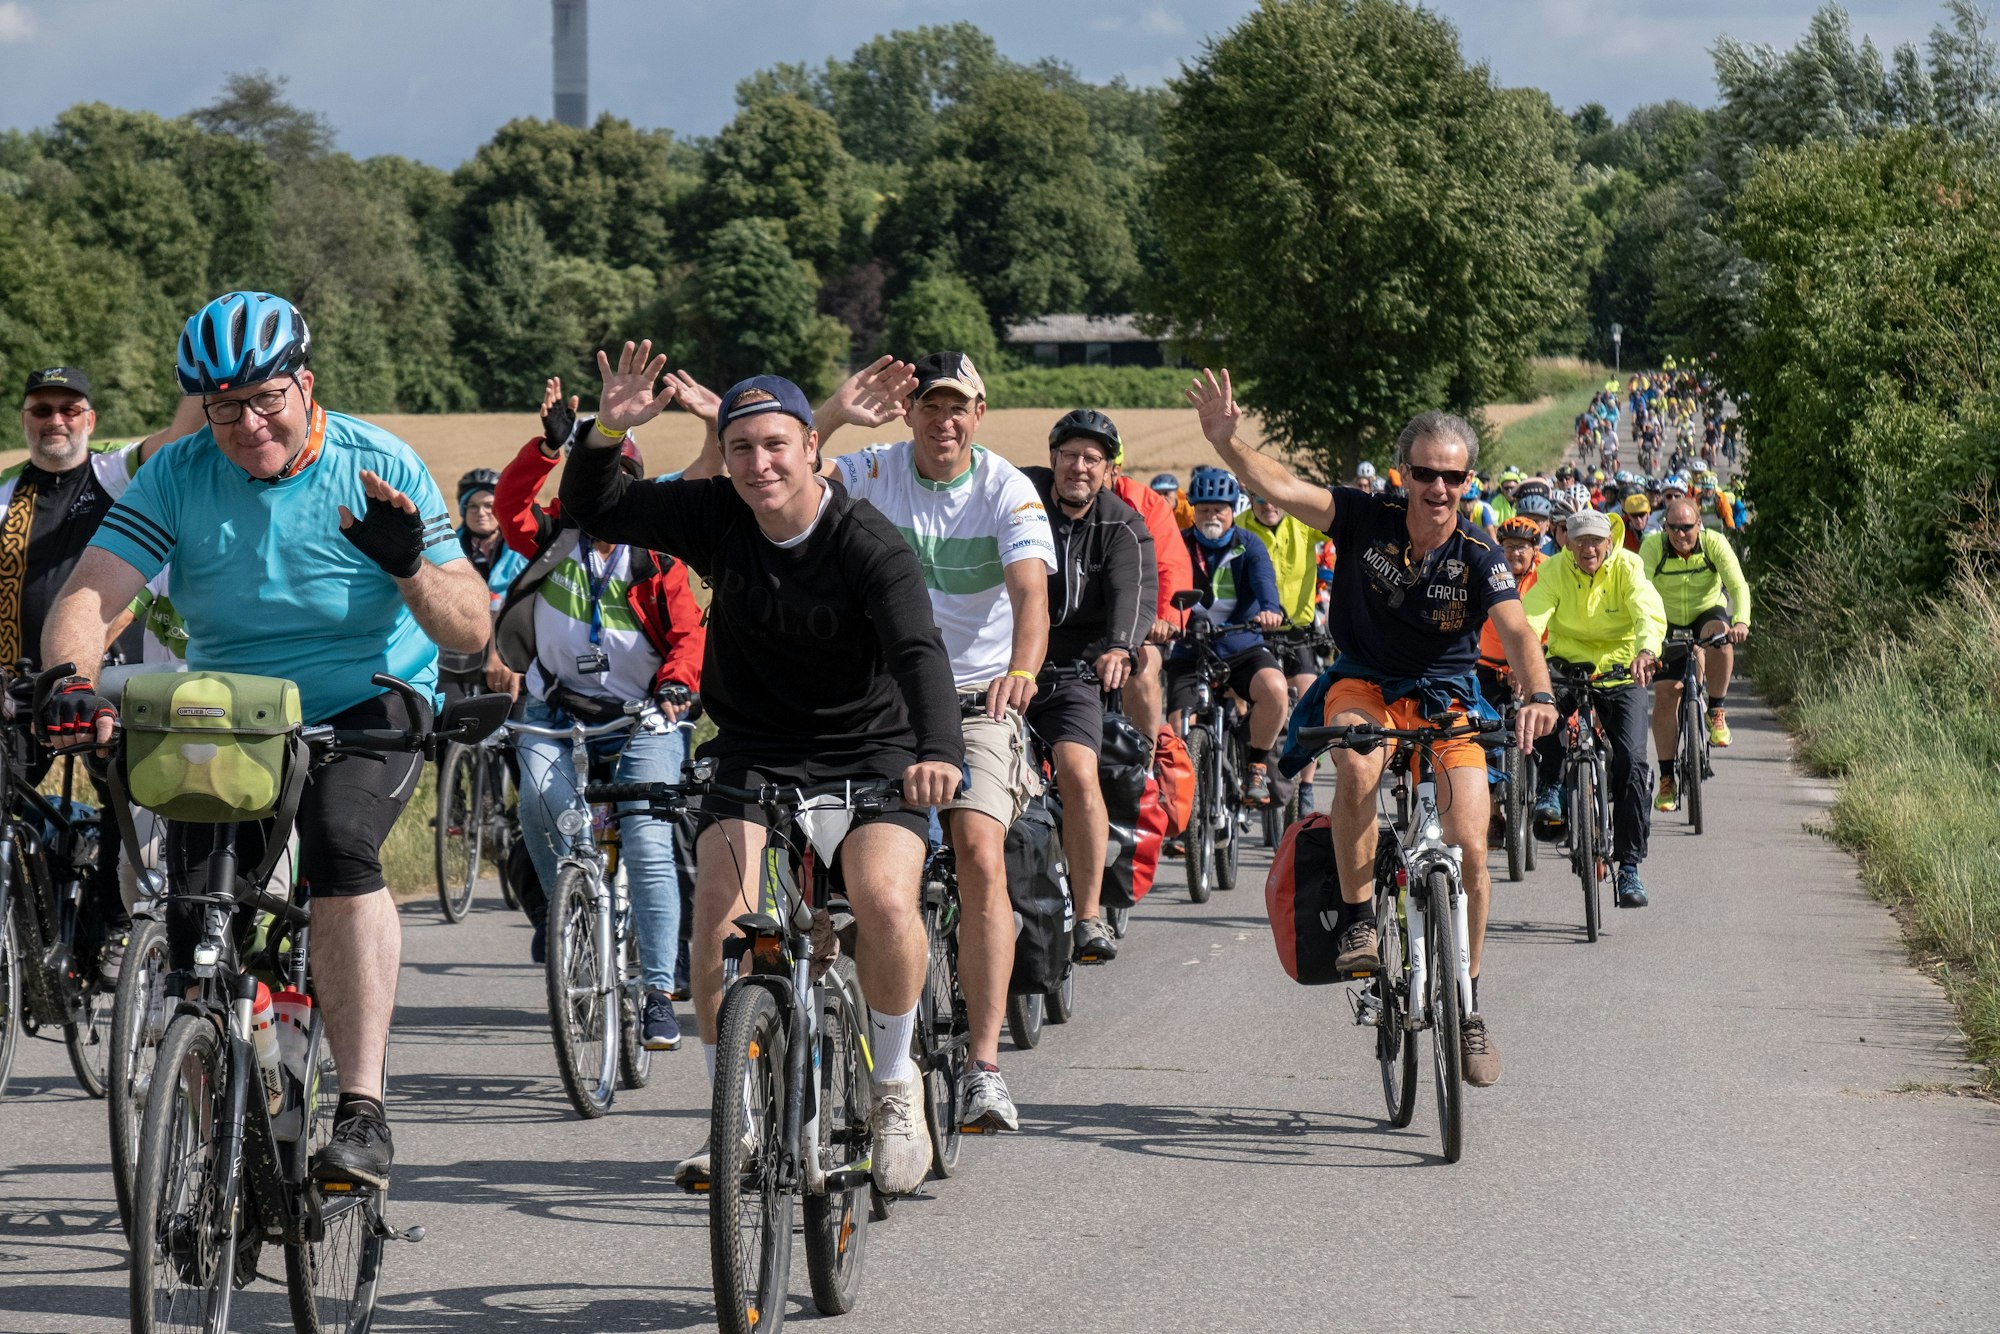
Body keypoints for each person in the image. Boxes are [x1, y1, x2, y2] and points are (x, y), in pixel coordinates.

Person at [42, 290, 493, 1190]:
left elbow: (471, 629)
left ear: (305, 385)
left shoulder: (377, 463)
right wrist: (71, 680)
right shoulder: (179, 472)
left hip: (365, 700)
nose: (245, 424)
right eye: (221, 406)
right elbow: (90, 595)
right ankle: (222, 1133)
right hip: (234, 709)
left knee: (340, 847)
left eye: (264, 400)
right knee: (197, 911)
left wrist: (408, 565)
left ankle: (362, 1109)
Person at [559, 342, 963, 1197]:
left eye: (777, 444)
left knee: (885, 898)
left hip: (873, 751)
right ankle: (733, 1116)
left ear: (813, 446)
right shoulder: (715, 515)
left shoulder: (866, 542)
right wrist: (602, 431)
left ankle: (895, 1086)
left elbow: (921, 654)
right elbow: (597, 508)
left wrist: (938, 754)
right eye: (741, 448)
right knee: (720, 912)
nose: (758, 463)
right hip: (754, 747)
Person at [1187, 372, 1557, 1088]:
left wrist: (1537, 692)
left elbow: (1516, 633)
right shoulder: (1363, 517)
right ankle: (1360, 916)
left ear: (1467, 480)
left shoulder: (1481, 557)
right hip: (1363, 682)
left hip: (1448, 697)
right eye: (1425, 473)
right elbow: (1286, 488)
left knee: (1472, 846)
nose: (1438, 488)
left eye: (1452, 476)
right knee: (1357, 764)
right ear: (1403, 473)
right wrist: (1228, 444)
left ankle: (1470, 1004)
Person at [812, 350, 1056, 1136]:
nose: (943, 422)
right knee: (824, 850)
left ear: (979, 416)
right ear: (909, 411)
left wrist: (1022, 670)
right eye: (930, 406)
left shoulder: (1007, 491)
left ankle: (984, 1066)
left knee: (980, 849)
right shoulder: (875, 473)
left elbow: (1030, 596)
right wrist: (832, 412)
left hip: (977, 694)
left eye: (960, 408)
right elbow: (781, 474)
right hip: (881, 696)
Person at [489, 392, 704, 1051]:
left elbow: (690, 636)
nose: (606, 495)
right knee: (541, 810)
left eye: (618, 481)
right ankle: (573, 928)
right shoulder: (552, 536)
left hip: (645, 716)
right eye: (595, 480)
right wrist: (548, 450)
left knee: (647, 841)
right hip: (557, 709)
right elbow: (507, 508)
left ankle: (659, 992)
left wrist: (675, 686)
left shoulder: (656, 557)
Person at [9, 367, 197, 982]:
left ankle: (114, 927)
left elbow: (179, 434)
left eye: (70, 409)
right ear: (25, 419)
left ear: (90, 419)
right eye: (42, 409)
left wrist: (201, 375)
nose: (55, 420)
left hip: (115, 681)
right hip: (21, 685)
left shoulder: (117, 475)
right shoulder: (7, 495)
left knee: (129, 802)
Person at [1020, 409, 1156, 965]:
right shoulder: (1019, 496)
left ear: (1108, 469)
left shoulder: (1122, 524)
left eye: (1093, 459)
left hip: (1074, 671)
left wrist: (1122, 646)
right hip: (1003, 663)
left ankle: (1088, 915)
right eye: (1070, 455)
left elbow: (1135, 592)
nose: (1080, 466)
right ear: (1053, 458)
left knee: (1078, 773)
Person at [1521, 508, 1667, 909]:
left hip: (1622, 673)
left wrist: (1645, 650)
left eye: (1595, 540)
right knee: (1543, 709)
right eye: (1579, 539)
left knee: (1633, 764)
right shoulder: (1554, 571)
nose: (1588, 548)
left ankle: (1629, 867)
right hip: (1568, 667)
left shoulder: (1628, 567)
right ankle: (1551, 785)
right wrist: (1525, 665)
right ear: (1567, 540)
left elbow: (1647, 611)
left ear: (1609, 541)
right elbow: (1531, 619)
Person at [1170, 466, 1288, 805]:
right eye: (1203, 509)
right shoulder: (1180, 545)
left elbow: (1265, 582)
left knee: (1276, 690)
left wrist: (1270, 609)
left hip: (1242, 645)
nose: (1211, 516)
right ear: (1193, 509)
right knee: (1178, 725)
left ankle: (1257, 765)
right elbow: (1164, 586)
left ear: (1232, 509)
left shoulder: (1250, 545)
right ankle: (1185, 812)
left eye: (1218, 509)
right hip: (1192, 648)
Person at [1640, 496, 1752, 807]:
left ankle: (1715, 710)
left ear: (1699, 525)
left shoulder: (1714, 544)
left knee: (1720, 636)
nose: (1680, 534)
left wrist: (1741, 620)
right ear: (1665, 527)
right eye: (1673, 528)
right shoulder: (1653, 547)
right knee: (1665, 696)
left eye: (1687, 528)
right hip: (1666, 619)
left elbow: (1738, 585)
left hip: (1706, 611)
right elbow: (1640, 590)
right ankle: (1666, 779)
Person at [1239, 488, 1328, 806]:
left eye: (1274, 497)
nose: (1268, 505)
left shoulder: (1302, 523)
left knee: (1310, 701)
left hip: (1297, 632)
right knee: (1241, 699)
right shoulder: (1239, 527)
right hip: (1253, 632)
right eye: (1260, 499)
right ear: (1250, 499)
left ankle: (1305, 786)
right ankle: (1245, 762)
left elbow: (1337, 518)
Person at [1109, 433, 1193, 749]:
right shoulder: (1054, 497)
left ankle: (1145, 765)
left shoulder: (1147, 503)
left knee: (1142, 671)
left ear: (1115, 469)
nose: (1083, 471)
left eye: (1100, 463)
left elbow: (1170, 562)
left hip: (1138, 622)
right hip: (1079, 624)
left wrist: (1166, 617)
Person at [437, 466, 530, 709]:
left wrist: (502, 656)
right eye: (473, 506)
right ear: (462, 510)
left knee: (516, 735)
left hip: (511, 660)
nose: (481, 513)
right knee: (444, 725)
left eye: (489, 505)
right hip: (454, 661)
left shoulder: (524, 553)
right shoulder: (444, 552)